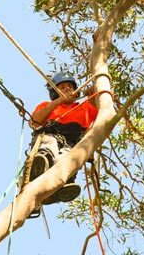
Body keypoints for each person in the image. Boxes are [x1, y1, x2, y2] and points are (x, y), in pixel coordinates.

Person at [28, 72, 98, 205]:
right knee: (50, 144)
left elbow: (103, 106)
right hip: (51, 134)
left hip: (72, 144)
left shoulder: (84, 107)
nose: (67, 89)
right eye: (62, 87)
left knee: (66, 158)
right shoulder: (47, 105)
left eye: (70, 86)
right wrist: (59, 101)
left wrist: (94, 94)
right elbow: (34, 123)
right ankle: (41, 164)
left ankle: (62, 183)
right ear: (55, 91)